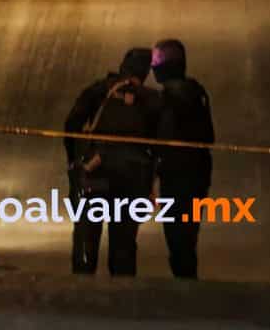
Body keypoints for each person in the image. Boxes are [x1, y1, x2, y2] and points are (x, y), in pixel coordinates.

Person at [64, 48, 160, 276]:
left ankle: (81, 288)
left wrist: (74, 161)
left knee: (87, 233)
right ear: (145, 72)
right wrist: (152, 181)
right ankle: (121, 295)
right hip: (133, 176)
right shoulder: (152, 99)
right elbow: (160, 144)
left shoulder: (99, 89)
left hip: (95, 170)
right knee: (124, 241)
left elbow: (72, 124)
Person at [152, 38, 214, 279]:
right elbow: (209, 136)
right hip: (198, 175)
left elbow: (162, 143)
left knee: (177, 237)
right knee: (188, 235)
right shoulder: (198, 93)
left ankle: (185, 286)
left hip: (176, 178)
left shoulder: (168, 99)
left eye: (156, 61)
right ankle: (188, 280)